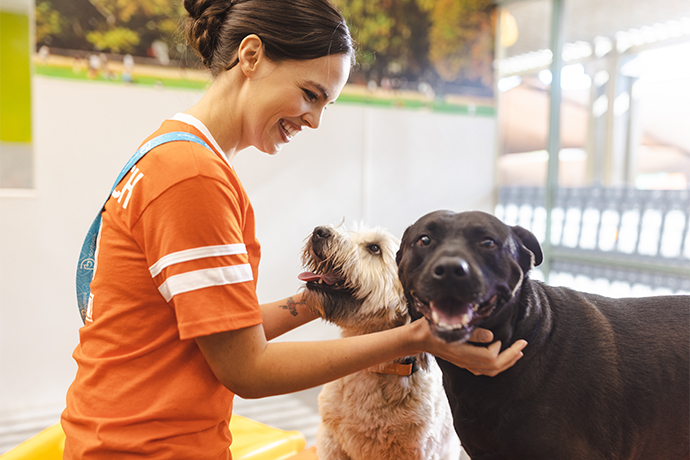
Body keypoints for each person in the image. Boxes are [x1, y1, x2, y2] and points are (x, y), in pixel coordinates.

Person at [61, 0, 528, 458]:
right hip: (147, 446)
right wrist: (415, 338)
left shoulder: (167, 153)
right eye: (310, 94)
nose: (315, 120)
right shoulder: (193, 178)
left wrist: (317, 301)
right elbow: (248, 369)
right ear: (250, 56)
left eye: (326, 104)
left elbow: (220, 335)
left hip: (111, 430)